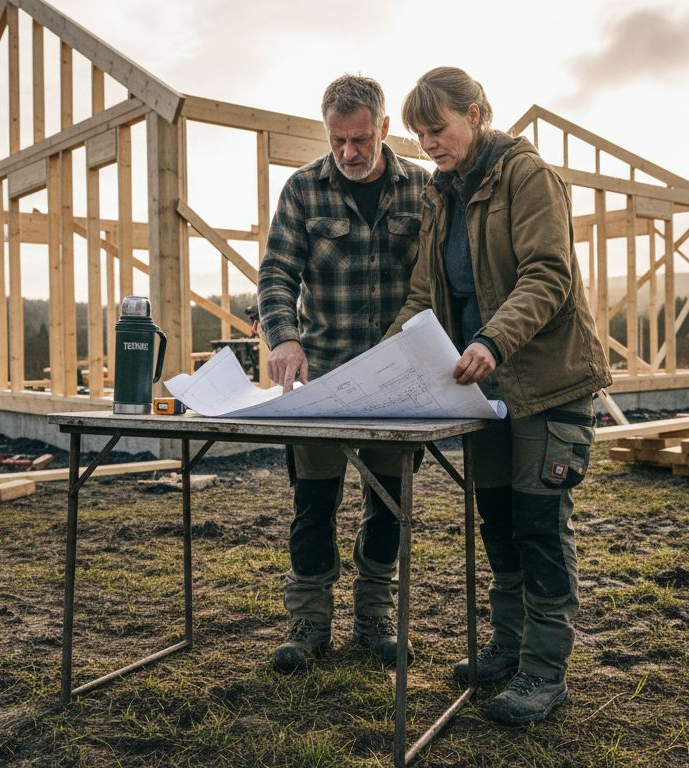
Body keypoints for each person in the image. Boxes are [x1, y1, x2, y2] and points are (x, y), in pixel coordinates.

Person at [386, 67, 612, 724]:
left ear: (477, 114)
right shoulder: (441, 197)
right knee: (497, 521)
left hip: (546, 383)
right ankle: (508, 649)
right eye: (420, 134)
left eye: (438, 128)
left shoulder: (527, 176)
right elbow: (425, 296)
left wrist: (492, 339)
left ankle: (545, 671)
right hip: (482, 393)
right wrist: (384, 361)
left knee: (539, 525)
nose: (428, 143)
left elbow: (548, 275)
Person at [256, 74, 431, 672]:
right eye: (338, 141)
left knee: (389, 506)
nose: (349, 153)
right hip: (322, 382)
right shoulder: (303, 190)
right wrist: (284, 337)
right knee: (313, 503)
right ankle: (309, 621)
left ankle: (374, 616)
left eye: (360, 139)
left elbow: (439, 279)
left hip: (398, 381)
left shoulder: (423, 190)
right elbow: (276, 273)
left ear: (384, 128)